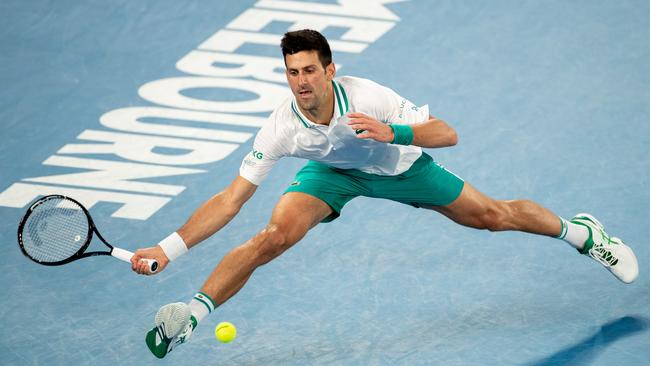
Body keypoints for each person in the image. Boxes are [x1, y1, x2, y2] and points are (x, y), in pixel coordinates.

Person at [131, 29, 638, 358]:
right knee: (273, 236)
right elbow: (230, 199)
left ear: (330, 69)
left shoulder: (369, 96)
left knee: (492, 216)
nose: (301, 81)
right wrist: (169, 249)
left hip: (400, 165)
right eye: (292, 72)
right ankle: (191, 316)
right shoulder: (281, 126)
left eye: (309, 70)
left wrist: (392, 133)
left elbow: (447, 133)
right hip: (332, 173)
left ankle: (582, 234)